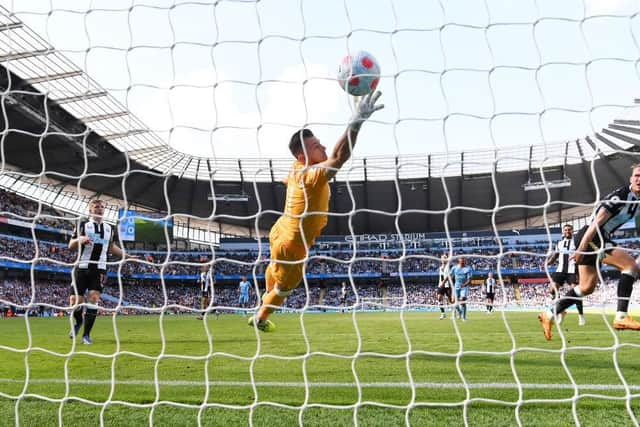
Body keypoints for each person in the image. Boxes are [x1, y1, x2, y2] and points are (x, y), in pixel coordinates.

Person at [248, 90, 384, 332]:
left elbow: (289, 180)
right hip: (293, 243)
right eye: (315, 145)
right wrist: (356, 123)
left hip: (280, 230)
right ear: (303, 156)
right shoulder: (311, 176)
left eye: (320, 142)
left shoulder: (295, 168)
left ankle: (264, 297)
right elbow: (339, 157)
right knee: (285, 289)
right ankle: (260, 318)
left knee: (274, 269)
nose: (322, 145)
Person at [539, 164, 640, 340]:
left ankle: (548, 314)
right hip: (592, 236)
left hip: (599, 238)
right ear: (631, 178)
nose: (639, 179)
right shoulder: (621, 196)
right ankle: (621, 316)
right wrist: (581, 248)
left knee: (586, 287)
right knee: (630, 266)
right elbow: (595, 223)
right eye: (637, 175)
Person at [68, 199, 132, 345]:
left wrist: (127, 256)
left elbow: (111, 248)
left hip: (100, 268)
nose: (100, 209)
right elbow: (70, 245)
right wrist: (80, 239)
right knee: (74, 302)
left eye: (102, 207)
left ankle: (86, 335)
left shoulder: (110, 228)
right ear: (90, 210)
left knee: (93, 298)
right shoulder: (83, 225)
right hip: (82, 266)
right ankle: (78, 322)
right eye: (96, 206)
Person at [546, 223, 585, 326]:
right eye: (566, 230)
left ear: (572, 231)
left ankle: (581, 315)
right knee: (552, 290)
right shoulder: (559, 243)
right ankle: (561, 310)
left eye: (569, 230)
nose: (567, 231)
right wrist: (548, 262)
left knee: (576, 292)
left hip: (572, 270)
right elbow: (555, 255)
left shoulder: (577, 242)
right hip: (560, 270)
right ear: (563, 232)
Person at [450, 257, 473, 321]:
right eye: (461, 258)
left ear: (465, 260)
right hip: (456, 286)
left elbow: (469, 280)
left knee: (462, 300)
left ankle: (464, 317)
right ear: (458, 260)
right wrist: (444, 283)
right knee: (453, 301)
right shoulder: (454, 268)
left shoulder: (468, 268)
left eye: (464, 259)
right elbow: (449, 276)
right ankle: (460, 312)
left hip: (464, 286)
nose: (462, 260)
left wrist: (464, 285)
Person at [436, 254, 453, 319]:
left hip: (448, 285)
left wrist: (444, 282)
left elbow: (449, 276)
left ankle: (453, 313)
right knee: (439, 298)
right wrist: (441, 283)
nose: (443, 259)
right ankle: (443, 314)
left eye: (445, 258)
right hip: (441, 285)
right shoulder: (440, 267)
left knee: (450, 300)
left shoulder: (449, 266)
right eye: (442, 258)